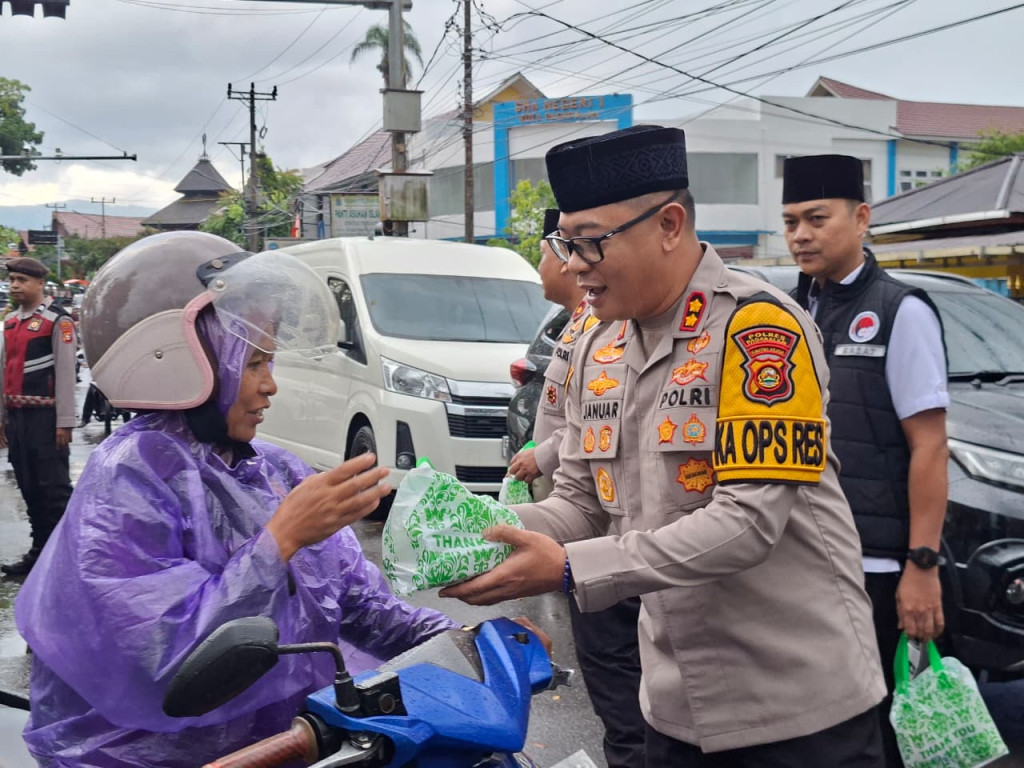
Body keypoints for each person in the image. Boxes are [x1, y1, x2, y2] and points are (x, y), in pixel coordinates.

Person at [443, 125, 887, 767]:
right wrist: (480, 531)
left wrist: (568, 568)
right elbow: (582, 504)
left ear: (670, 224)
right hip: (675, 708)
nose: (573, 266)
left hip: (795, 712)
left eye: (590, 242)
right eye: (565, 244)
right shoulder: (599, 342)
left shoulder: (757, 330)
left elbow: (748, 523)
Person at [14, 231, 461, 768]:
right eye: (253, 364)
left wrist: (470, 644)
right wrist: (281, 541)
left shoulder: (275, 472)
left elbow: (361, 607)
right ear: (181, 359)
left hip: (287, 747)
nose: (270, 386)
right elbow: (163, 658)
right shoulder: (129, 479)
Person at [782, 154, 949, 767]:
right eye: (791, 221)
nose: (801, 234)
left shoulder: (901, 310)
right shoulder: (794, 311)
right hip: (806, 561)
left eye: (817, 218)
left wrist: (921, 566)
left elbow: (930, 446)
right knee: (819, 732)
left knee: (882, 736)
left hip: (879, 568)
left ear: (861, 218)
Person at [508, 209, 646, 768]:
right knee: (618, 701)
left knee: (630, 705)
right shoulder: (585, 329)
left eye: (572, 246)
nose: (561, 261)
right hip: (584, 528)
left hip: (625, 555)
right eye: (561, 246)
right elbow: (585, 453)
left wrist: (542, 455)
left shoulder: (611, 331)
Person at [0, 256, 76, 577]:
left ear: (40, 284)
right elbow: (3, 370)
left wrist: (65, 421)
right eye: (13, 279)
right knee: (29, 487)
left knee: (54, 490)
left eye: (22, 280)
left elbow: (66, 372)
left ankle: (68, 560)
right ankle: (39, 553)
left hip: (46, 418)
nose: (15, 285)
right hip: (16, 417)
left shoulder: (58, 321)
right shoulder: (10, 322)